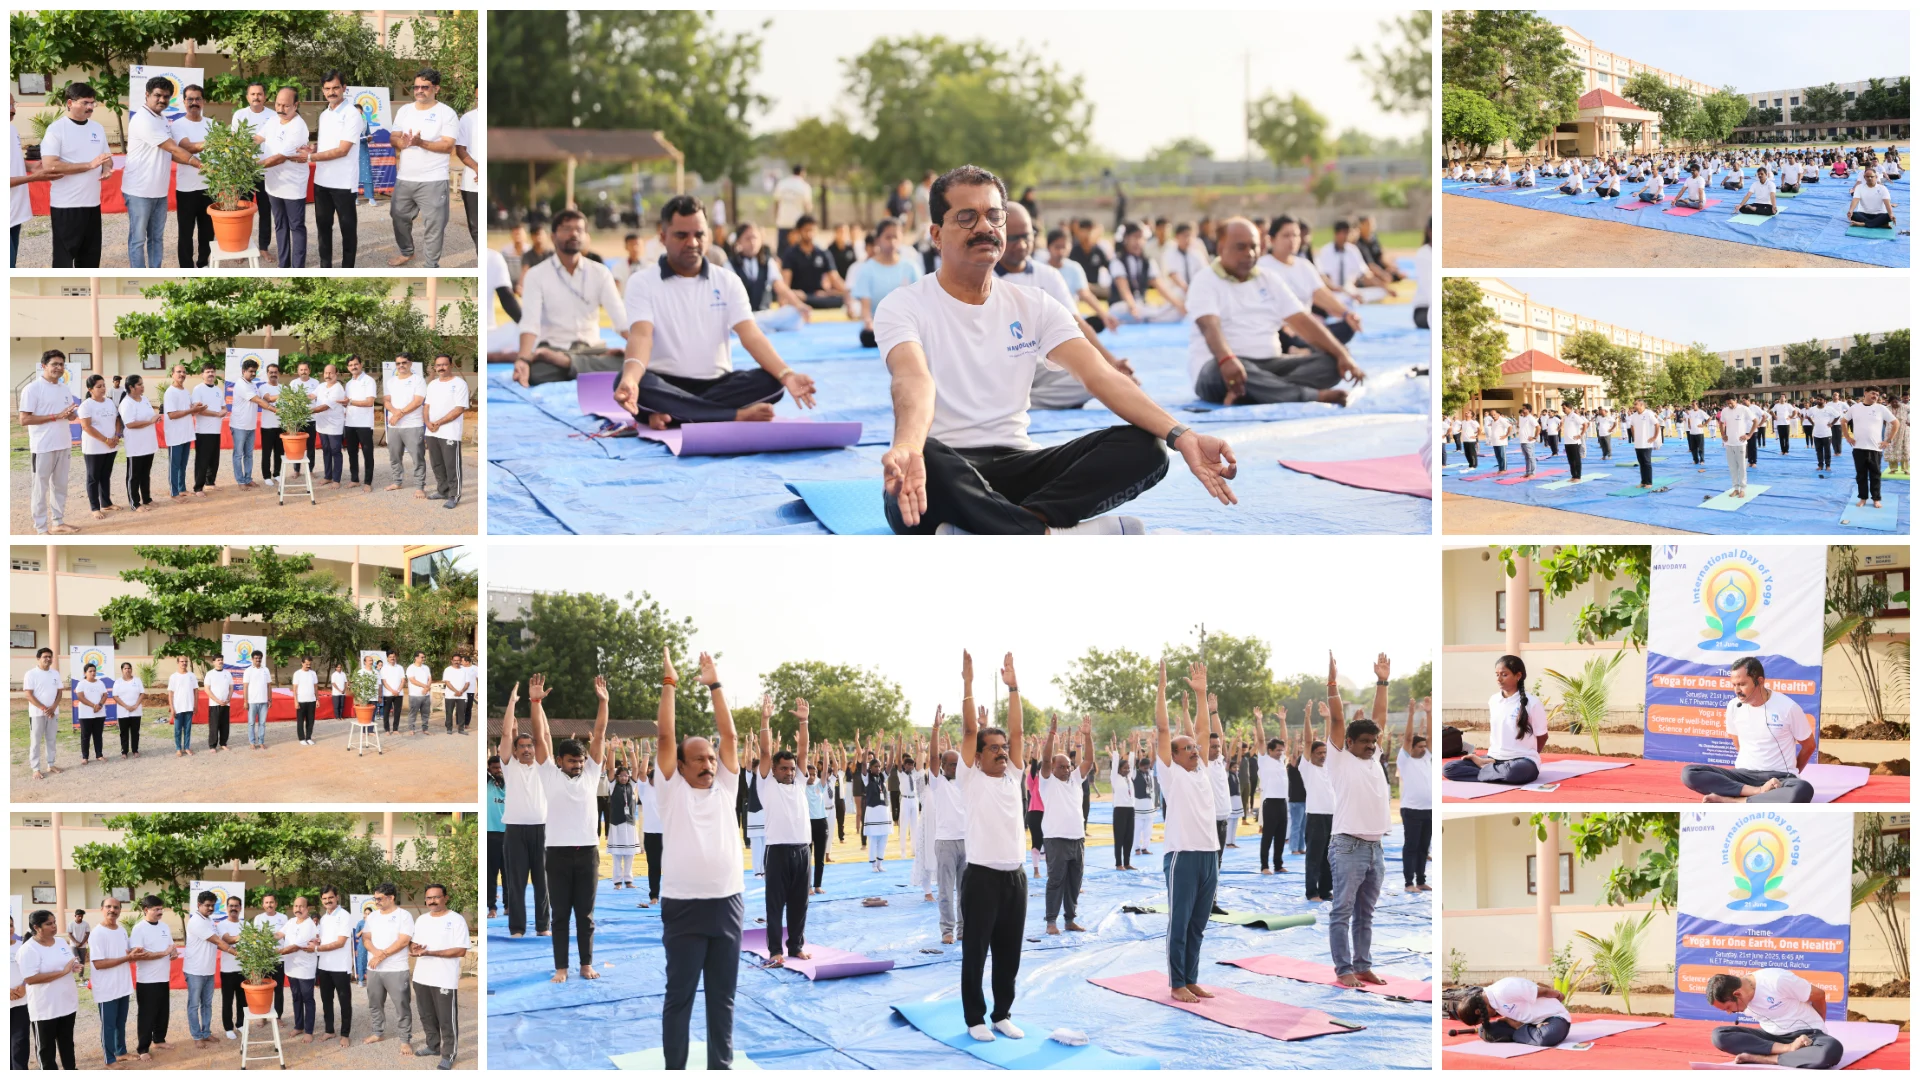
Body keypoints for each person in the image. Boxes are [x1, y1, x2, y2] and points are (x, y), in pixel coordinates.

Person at [877, 165, 1238, 535]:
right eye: (967, 217)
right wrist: (908, 444)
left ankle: (1015, 527)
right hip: (942, 472)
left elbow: (1098, 375)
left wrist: (1184, 435)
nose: (984, 227)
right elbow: (912, 379)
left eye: (994, 216)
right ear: (936, 234)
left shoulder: (1035, 303)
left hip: (1018, 466)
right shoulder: (904, 305)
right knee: (924, 465)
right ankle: (1053, 536)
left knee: (1146, 447)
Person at [612, 195, 817, 428]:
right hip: (664, 382)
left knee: (772, 381)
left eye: (699, 234)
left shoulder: (727, 280)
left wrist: (787, 375)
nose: (692, 242)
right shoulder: (642, 282)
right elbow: (641, 336)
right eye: (682, 235)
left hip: (718, 385)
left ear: (708, 235)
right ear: (663, 237)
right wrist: (631, 378)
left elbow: (751, 334)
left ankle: (675, 414)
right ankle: (732, 416)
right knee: (627, 380)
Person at [655, 648, 746, 1070]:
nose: (709, 763)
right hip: (685, 907)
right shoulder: (672, 792)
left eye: (711, 758)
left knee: (723, 999)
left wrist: (715, 685)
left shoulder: (726, 788)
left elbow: (728, 736)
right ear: (682, 766)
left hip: (728, 904)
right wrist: (669, 685)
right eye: (700, 759)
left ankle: (719, 1069)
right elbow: (665, 738)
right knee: (680, 998)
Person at [1191, 218, 1365, 406]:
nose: (1249, 253)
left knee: (1331, 363)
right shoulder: (1205, 280)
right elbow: (1209, 327)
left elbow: (1302, 320)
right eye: (1240, 247)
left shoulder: (1268, 278)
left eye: (1254, 247)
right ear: (1221, 248)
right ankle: (1308, 396)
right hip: (1224, 365)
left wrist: (1341, 355)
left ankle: (1257, 393)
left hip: (1272, 364)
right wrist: (1227, 359)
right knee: (1217, 371)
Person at [952, 651, 1030, 1041]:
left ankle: (1002, 1013)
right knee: (976, 952)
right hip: (981, 877)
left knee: (1009, 953)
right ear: (978, 756)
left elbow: (1017, 734)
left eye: (1003, 747)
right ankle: (975, 1019)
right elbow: (968, 731)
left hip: (1015, 876)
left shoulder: (1013, 775)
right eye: (993, 747)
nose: (1002, 751)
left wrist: (1013, 687)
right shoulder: (971, 778)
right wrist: (968, 685)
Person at [994, 202, 1136, 409]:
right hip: (997, 364)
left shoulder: (1048, 275)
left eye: (1027, 236)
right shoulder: (981, 276)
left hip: (1039, 363)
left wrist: (1111, 363)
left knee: (1094, 379)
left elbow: (1076, 324)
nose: (1022, 244)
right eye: (1014, 238)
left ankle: (1017, 404)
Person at [528, 671, 609, 981]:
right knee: (560, 915)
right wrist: (536, 702)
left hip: (587, 854)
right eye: (572, 761)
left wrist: (603, 702)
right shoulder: (548, 774)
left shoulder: (590, 775)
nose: (577, 765)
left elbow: (599, 734)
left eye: (581, 761)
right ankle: (561, 968)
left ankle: (586, 964)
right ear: (560, 760)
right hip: (558, 855)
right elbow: (539, 737)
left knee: (585, 916)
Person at [1321, 653, 1393, 987]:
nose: (1370, 746)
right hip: (1348, 846)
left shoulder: (1373, 755)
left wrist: (1382, 681)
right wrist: (1333, 684)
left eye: (1373, 741)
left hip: (1375, 846)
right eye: (1364, 742)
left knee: (1366, 913)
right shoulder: (1338, 759)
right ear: (1348, 743)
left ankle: (1363, 965)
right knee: (1342, 911)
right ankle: (1344, 969)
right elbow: (1337, 720)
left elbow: (1378, 718)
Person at [1156, 659, 1221, 1002]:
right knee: (1179, 923)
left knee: (1198, 923)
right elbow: (1165, 732)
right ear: (1173, 756)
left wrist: (1201, 695)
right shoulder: (1172, 774)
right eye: (1188, 750)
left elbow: (1201, 731)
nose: (1196, 751)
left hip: (1210, 854)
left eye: (1196, 749)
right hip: (1183, 854)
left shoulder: (1203, 771)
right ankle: (1176, 982)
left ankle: (1192, 978)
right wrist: (1162, 690)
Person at [511, 210, 628, 386]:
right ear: (553, 236)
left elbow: (621, 318)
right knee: (535, 373)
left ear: (586, 236)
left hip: (592, 349)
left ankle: (566, 363)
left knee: (630, 364)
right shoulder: (536, 275)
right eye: (566, 229)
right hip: (554, 347)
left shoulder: (600, 273)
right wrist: (523, 359)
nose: (574, 233)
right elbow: (530, 323)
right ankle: (580, 366)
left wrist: (638, 351)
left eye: (579, 230)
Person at [1681, 657, 1817, 803]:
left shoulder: (1788, 708)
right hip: (1743, 776)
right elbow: (1738, 743)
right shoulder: (1734, 706)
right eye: (1734, 685)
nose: (1737, 690)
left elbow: (1809, 746)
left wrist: (1790, 773)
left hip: (1778, 778)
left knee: (1803, 790)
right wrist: (1758, 788)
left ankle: (1735, 801)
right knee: (1689, 773)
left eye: (1742, 684)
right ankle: (1757, 793)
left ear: (1760, 681)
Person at [755, 694, 814, 965]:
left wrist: (804, 722)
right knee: (775, 905)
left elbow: (803, 751)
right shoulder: (767, 784)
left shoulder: (800, 782)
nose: (790, 771)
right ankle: (775, 950)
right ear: (774, 770)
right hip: (778, 851)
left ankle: (796, 947)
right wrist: (765, 719)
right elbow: (765, 752)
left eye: (791, 768)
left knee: (800, 903)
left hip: (803, 849)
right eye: (784, 768)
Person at [122, 77, 202, 267]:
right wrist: (199, 164)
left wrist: (192, 161)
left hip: (159, 191)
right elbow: (173, 149)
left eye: (166, 97)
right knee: (138, 240)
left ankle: (155, 274)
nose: (162, 100)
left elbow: (171, 154)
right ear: (147, 95)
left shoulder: (163, 119)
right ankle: (140, 278)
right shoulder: (143, 120)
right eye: (157, 95)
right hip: (139, 191)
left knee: (157, 238)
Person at [388, 69, 458, 268]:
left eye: (425, 87)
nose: (419, 91)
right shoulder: (405, 110)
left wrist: (420, 143)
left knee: (434, 226)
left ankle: (431, 266)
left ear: (436, 89)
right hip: (405, 178)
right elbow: (393, 136)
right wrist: (401, 142)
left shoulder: (447, 113)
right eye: (416, 86)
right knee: (398, 216)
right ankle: (407, 251)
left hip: (433, 179)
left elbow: (447, 146)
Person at [498, 682, 552, 939]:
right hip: (515, 831)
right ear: (516, 751)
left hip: (542, 829)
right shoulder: (510, 766)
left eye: (531, 746)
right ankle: (517, 928)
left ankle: (543, 926)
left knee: (543, 883)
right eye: (523, 747)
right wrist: (512, 702)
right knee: (516, 883)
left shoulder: (544, 765)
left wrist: (537, 705)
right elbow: (506, 734)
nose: (528, 749)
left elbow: (545, 736)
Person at [1705, 970, 1843, 1068]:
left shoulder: (1777, 981)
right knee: (1719, 1036)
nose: (1729, 1013)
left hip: (1806, 1035)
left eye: (1728, 1007)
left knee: (1831, 1050)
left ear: (1737, 994)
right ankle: (1786, 1051)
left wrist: (1818, 1029)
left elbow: (1819, 995)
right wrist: (1788, 1047)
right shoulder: (1740, 995)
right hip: (1772, 1038)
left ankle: (1765, 1059)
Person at [40, 83, 113, 267]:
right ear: (70, 103)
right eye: (85, 103)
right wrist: (89, 165)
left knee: (90, 260)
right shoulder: (56, 129)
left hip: (92, 204)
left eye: (93, 103)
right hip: (66, 206)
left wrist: (106, 168)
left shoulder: (97, 128)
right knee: (64, 261)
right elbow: (50, 165)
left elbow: (106, 158)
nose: (90, 107)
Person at [1445, 655, 1546, 785]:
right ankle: (1494, 772)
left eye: (1504, 675)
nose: (1498, 679)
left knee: (1514, 771)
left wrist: (1529, 754)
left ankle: (1491, 772)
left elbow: (1542, 736)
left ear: (1518, 676)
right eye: (1497, 674)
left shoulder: (1533, 703)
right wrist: (1491, 760)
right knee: (1450, 768)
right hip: (1493, 759)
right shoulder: (1494, 700)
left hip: (1522, 761)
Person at [1038, 714, 1093, 934]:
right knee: (1056, 880)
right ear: (1053, 767)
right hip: (1056, 839)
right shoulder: (1047, 781)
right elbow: (1044, 759)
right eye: (1062, 766)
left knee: (1074, 882)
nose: (1067, 769)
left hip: (1077, 838)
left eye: (1069, 766)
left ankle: (1070, 919)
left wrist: (1088, 736)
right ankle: (1051, 921)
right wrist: (1052, 734)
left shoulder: (1076, 779)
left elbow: (1088, 760)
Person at [409, 883, 467, 1068]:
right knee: (426, 1016)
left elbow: (461, 950)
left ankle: (448, 1054)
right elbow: (414, 943)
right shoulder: (422, 920)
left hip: (444, 978)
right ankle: (432, 1046)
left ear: (446, 898)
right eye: (429, 898)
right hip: (421, 977)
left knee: (446, 1019)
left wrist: (431, 953)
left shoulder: (456, 920)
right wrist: (414, 948)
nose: (432, 901)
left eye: (436, 897)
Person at [22, 350, 79, 534]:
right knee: (40, 488)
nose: (59, 368)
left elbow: (70, 416)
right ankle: (41, 528)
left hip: (63, 443)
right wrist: (56, 416)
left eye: (61, 364)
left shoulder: (64, 389)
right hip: (43, 446)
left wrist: (71, 415)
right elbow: (24, 419)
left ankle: (58, 522)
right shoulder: (32, 389)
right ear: (44, 366)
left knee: (60, 486)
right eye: (54, 364)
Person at [255, 86, 312, 267]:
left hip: (292, 185)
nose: (280, 109)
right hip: (273, 184)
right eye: (278, 104)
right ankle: (284, 265)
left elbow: (279, 158)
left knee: (296, 226)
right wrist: (237, 145)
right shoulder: (273, 120)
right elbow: (257, 138)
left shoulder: (299, 127)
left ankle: (297, 267)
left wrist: (252, 167)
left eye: (286, 106)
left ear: (296, 105)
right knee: (280, 225)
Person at [18, 909, 80, 1069]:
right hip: (45, 1008)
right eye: (49, 924)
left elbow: (66, 962)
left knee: (67, 1042)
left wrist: (73, 967)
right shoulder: (28, 949)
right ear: (36, 927)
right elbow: (30, 978)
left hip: (66, 1004)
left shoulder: (60, 942)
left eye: (54, 922)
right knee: (46, 1050)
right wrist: (62, 972)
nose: (54, 926)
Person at [850, 218, 923, 348]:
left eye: (896, 237)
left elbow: (920, 302)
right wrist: (868, 323)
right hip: (879, 326)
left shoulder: (911, 267)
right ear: (878, 240)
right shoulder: (867, 269)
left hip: (907, 324)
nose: (892, 242)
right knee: (867, 336)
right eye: (888, 237)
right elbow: (865, 309)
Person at [360, 883, 415, 1051]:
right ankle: (378, 1032)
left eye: (379, 898)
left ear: (391, 897)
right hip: (375, 969)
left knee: (402, 1005)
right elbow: (366, 939)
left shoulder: (403, 915)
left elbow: (403, 941)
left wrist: (381, 956)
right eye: (374, 898)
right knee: (375, 1004)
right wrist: (377, 954)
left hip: (396, 969)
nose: (376, 902)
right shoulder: (373, 917)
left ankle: (405, 1039)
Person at [228, 82, 277, 256]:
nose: (256, 97)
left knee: (265, 211)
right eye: (253, 94)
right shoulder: (240, 115)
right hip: (245, 172)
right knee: (243, 211)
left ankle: (263, 247)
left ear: (265, 96)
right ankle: (242, 247)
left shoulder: (273, 116)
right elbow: (234, 140)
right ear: (247, 96)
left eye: (259, 94)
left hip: (267, 170)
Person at [1457, 978, 1572, 1047]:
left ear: (1478, 1011)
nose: (1486, 1019)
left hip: (1553, 1018)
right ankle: (1529, 1032)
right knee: (1485, 1031)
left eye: (1482, 1019)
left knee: (1545, 1037)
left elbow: (1543, 991)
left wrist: (1558, 995)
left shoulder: (1503, 990)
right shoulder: (1491, 1002)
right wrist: (1513, 1023)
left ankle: (1527, 1033)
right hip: (1529, 1023)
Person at [127, 895, 174, 1060]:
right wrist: (163, 953)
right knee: (147, 1015)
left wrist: (172, 953)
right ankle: (143, 1048)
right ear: (146, 910)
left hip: (163, 977)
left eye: (161, 909)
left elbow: (171, 947)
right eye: (156, 909)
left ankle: (159, 1039)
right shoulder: (139, 929)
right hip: (147, 980)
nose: (160, 912)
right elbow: (139, 955)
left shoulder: (165, 927)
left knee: (163, 1012)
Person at [1108, 223, 1185, 323]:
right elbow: (1124, 289)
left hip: (1142, 307)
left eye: (1141, 238)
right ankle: (1145, 317)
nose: (1138, 242)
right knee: (1123, 309)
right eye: (1135, 238)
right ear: (1126, 239)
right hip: (1125, 306)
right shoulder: (1117, 261)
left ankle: (1147, 317)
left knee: (1175, 308)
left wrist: (1179, 305)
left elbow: (1160, 287)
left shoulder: (1147, 262)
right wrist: (1132, 307)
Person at [180, 890, 229, 1047]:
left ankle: (206, 1033)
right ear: (199, 905)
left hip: (208, 970)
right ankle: (196, 1036)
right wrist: (237, 953)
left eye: (213, 906)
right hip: (195, 971)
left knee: (207, 1004)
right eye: (207, 905)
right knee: (194, 1005)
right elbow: (217, 941)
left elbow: (221, 939)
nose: (210, 908)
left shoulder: (209, 920)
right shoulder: (196, 922)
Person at [377, 353, 427, 497]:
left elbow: (418, 401)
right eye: (398, 363)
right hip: (394, 426)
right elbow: (386, 400)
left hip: (413, 425)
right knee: (394, 457)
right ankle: (397, 482)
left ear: (410, 363)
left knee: (417, 457)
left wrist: (399, 414)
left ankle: (419, 486)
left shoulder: (418, 380)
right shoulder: (391, 381)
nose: (401, 366)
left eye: (404, 363)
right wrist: (394, 412)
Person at [423, 353, 468, 509]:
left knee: (451, 465)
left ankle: (454, 495)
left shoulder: (459, 384)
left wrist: (439, 422)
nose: (441, 368)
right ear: (435, 367)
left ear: (451, 365)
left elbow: (459, 408)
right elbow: (426, 406)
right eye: (438, 365)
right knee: (436, 464)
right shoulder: (432, 384)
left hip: (450, 431)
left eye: (444, 364)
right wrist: (427, 423)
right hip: (432, 431)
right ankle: (442, 491)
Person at [1396, 698, 1433, 892]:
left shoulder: (1427, 757)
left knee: (1423, 848)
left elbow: (1432, 737)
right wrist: (1411, 714)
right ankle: (1408, 883)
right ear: (1411, 749)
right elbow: (1409, 738)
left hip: (1429, 810)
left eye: (1425, 746)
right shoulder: (1406, 759)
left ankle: (1421, 880)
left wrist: (1428, 713)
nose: (1424, 748)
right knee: (1411, 847)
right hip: (1411, 810)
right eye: (1420, 746)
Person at [1842, 388, 1900, 509]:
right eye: (1873, 393)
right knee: (1861, 475)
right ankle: (1863, 498)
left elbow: (1896, 423)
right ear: (1865, 393)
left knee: (1875, 475)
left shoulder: (1881, 408)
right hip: (1858, 447)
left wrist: (1888, 440)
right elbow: (1843, 421)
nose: (1875, 396)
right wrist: (1847, 436)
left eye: (1878, 395)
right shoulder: (1855, 408)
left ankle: (1876, 499)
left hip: (1875, 448)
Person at [314, 886, 354, 1046]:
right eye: (324, 898)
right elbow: (324, 940)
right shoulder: (324, 918)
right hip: (324, 965)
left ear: (337, 897)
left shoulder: (344, 916)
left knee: (344, 1001)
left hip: (340, 967)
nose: (327, 901)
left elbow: (340, 942)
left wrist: (316, 948)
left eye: (330, 897)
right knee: (326, 1000)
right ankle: (329, 1030)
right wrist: (316, 942)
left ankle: (345, 1034)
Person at [188, 363, 226, 495]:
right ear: (202, 374)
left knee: (214, 459)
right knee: (202, 461)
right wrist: (216, 414)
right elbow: (198, 410)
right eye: (208, 371)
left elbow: (224, 407)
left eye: (213, 371)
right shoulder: (198, 389)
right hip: (203, 431)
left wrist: (224, 411)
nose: (211, 374)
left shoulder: (218, 390)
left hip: (216, 430)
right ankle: (198, 487)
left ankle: (210, 483)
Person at [342, 355, 379, 490]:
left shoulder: (369, 381)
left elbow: (370, 402)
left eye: (356, 364)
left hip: (364, 424)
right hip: (350, 423)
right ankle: (354, 479)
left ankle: (368, 482)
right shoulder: (349, 383)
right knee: (352, 452)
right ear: (348, 368)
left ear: (361, 365)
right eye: (351, 365)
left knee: (367, 453)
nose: (353, 367)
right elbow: (346, 403)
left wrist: (350, 402)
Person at [315, 363, 349, 487]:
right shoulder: (321, 386)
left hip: (334, 426)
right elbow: (311, 396)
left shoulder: (338, 388)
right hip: (322, 425)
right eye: (326, 373)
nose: (328, 375)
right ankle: (327, 476)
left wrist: (308, 411)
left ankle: (336, 480)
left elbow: (324, 407)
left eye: (330, 373)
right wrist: (298, 398)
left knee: (335, 451)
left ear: (336, 374)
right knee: (326, 451)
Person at [1718, 396, 1755, 498]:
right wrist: (1723, 434)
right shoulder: (1725, 411)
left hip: (1740, 443)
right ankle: (1735, 488)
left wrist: (1749, 435)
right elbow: (1721, 423)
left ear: (1736, 401)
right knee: (1732, 467)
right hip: (1729, 443)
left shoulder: (1743, 409)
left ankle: (1743, 488)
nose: (1729, 405)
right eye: (1727, 403)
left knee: (1742, 467)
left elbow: (1755, 421)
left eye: (1731, 403)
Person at [1625, 399, 1661, 489]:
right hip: (1638, 444)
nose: (1634, 406)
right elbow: (1632, 425)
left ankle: (1649, 482)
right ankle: (1643, 481)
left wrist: (1654, 437)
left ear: (1641, 405)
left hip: (1646, 443)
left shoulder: (1648, 413)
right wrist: (1634, 436)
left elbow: (1657, 425)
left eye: (1636, 404)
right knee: (1641, 463)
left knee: (1647, 463)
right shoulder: (1634, 415)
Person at [773, 164, 813, 243]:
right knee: (797, 249)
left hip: (783, 221)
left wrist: (776, 217)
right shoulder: (804, 186)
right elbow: (807, 206)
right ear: (802, 172)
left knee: (782, 250)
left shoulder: (782, 183)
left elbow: (776, 202)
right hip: (798, 223)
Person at [167, 656, 198, 758]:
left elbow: (196, 691)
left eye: (186, 661)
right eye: (182, 661)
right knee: (178, 730)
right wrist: (172, 708)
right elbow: (170, 693)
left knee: (188, 729)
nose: (184, 663)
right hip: (178, 707)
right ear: (178, 662)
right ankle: (178, 748)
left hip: (189, 706)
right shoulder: (173, 677)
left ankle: (187, 747)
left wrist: (196, 705)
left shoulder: (192, 676)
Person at [204, 658, 233, 753]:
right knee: (214, 725)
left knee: (225, 725)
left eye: (221, 660)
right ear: (213, 662)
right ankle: (212, 745)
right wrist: (217, 700)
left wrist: (228, 698)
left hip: (226, 703)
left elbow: (231, 687)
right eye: (218, 660)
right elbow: (207, 689)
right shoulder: (210, 674)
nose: (220, 661)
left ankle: (223, 743)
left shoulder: (227, 673)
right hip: (214, 704)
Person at [292, 655, 321, 746]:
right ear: (302, 663)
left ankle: (308, 737)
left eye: (310, 664)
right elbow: (295, 689)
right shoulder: (297, 674)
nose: (308, 666)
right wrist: (295, 701)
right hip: (301, 701)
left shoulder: (313, 673)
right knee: (300, 721)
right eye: (306, 664)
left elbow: (315, 687)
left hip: (311, 700)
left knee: (311, 720)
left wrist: (317, 699)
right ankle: (301, 738)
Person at [380, 651, 406, 736]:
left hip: (399, 694)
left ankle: (395, 729)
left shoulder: (400, 668)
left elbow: (403, 680)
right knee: (386, 712)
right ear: (387, 658)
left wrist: (397, 691)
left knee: (397, 712)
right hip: (388, 694)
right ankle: (387, 729)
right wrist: (392, 691)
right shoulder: (384, 668)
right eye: (390, 657)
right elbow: (384, 682)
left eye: (394, 656)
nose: (392, 658)